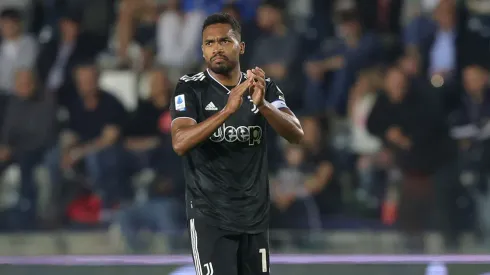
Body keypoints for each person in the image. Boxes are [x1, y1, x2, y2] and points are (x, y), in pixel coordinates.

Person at [170, 13, 303, 275]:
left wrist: (262, 105)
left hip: (254, 215)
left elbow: (296, 133)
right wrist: (227, 111)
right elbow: (180, 142)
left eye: (224, 41)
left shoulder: (263, 87)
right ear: (202, 49)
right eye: (209, 43)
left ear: (240, 46)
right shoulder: (190, 88)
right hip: (210, 217)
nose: (216, 48)